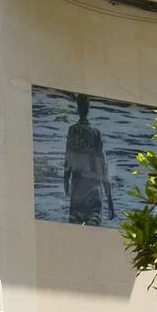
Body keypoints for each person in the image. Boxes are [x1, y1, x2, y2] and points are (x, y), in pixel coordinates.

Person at [65, 94, 116, 225]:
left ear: (78, 108)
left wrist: (66, 181)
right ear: (88, 108)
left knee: (73, 231)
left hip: (77, 191)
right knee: (94, 231)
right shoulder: (95, 132)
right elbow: (103, 166)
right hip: (93, 190)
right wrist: (109, 199)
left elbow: (68, 160)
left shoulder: (72, 130)